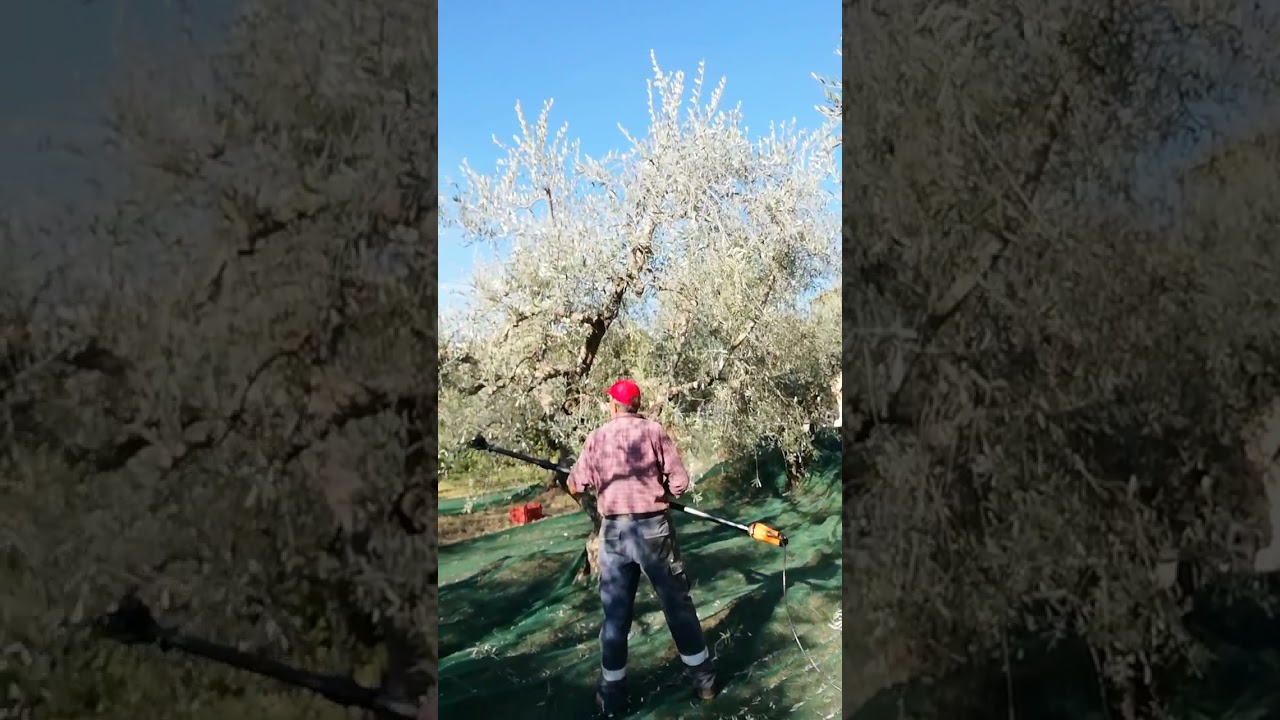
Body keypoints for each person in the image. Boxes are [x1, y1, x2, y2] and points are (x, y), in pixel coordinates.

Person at [565, 378, 717, 717]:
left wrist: (584, 482)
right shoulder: (654, 431)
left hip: (614, 534)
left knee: (616, 615)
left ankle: (612, 696)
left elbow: (576, 484)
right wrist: (664, 488)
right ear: (636, 404)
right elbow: (680, 483)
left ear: (613, 405)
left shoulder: (596, 438)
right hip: (654, 531)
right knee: (676, 605)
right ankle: (704, 681)